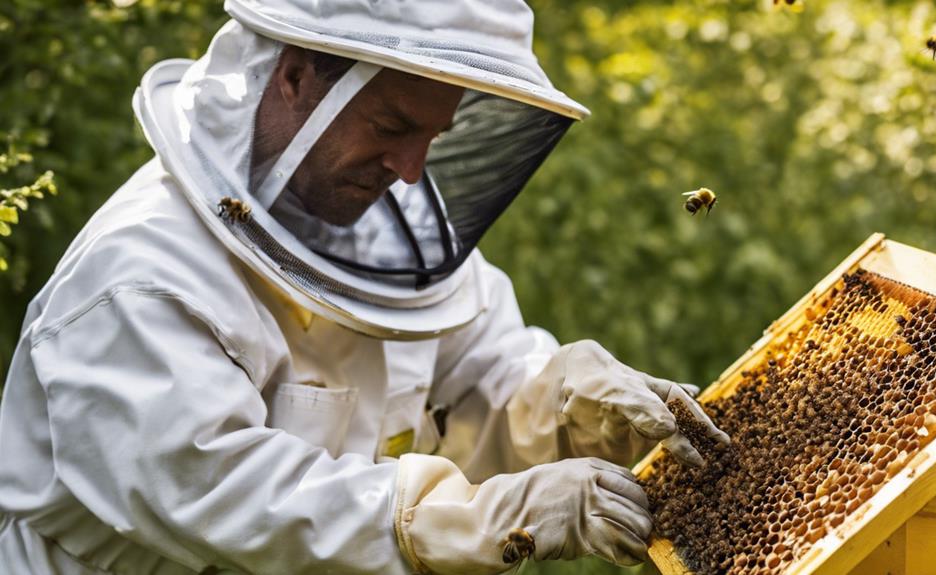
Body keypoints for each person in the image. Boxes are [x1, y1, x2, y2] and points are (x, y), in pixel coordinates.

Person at [0, 1, 730, 574]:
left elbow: (481, 390)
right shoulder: (141, 280)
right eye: (391, 125)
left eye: (432, 138)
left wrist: (565, 401)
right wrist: (472, 520)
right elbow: (241, 498)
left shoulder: (393, 242)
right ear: (293, 76)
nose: (410, 170)